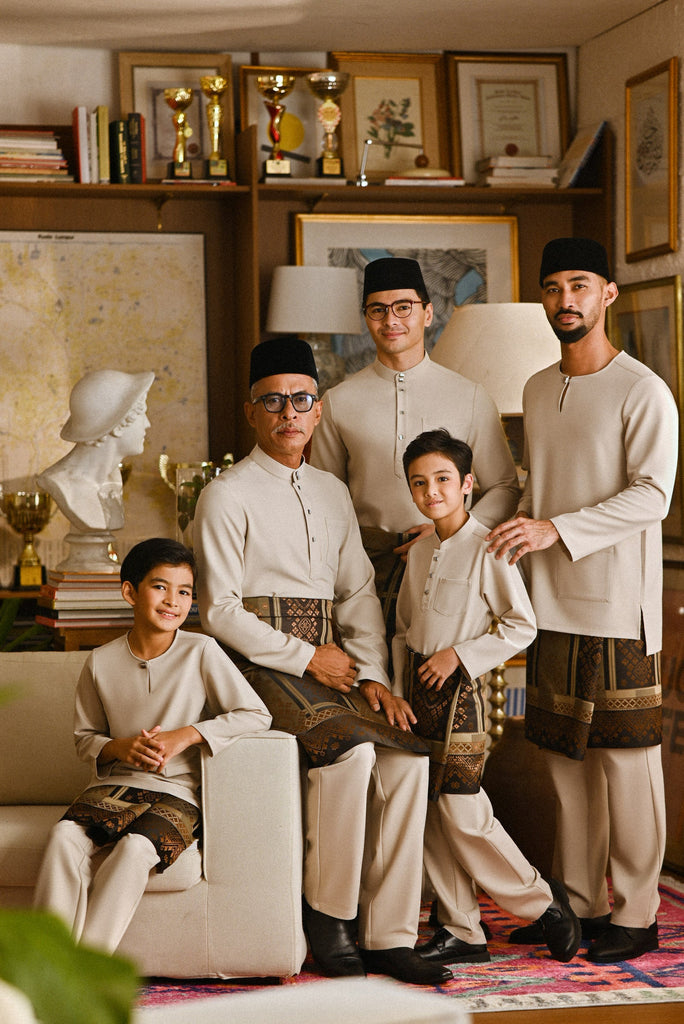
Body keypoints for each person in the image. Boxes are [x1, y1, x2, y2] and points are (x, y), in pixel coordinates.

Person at [193, 335, 452, 986]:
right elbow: (218, 611)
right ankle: (328, 918)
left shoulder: (333, 491)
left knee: (406, 758)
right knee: (352, 754)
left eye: (302, 399)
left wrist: (374, 677)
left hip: (334, 661)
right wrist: (310, 659)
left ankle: (389, 933)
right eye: (273, 401)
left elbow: (358, 593)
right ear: (251, 412)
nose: (289, 413)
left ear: (317, 410)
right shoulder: (225, 494)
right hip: (256, 663)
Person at [486, 237, 680, 963]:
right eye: (552, 287)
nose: (565, 299)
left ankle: (637, 914)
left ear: (607, 294)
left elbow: (652, 496)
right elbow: (535, 488)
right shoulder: (538, 388)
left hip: (619, 611)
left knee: (628, 769)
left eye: (579, 284)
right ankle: (580, 905)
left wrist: (555, 529)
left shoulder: (643, 390)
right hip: (547, 606)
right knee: (566, 766)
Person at [391, 428, 580, 967]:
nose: (431, 491)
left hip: (461, 697)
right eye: (419, 483)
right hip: (415, 700)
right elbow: (403, 631)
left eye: (443, 479)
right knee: (432, 813)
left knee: (463, 811)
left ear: (467, 484)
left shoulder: (488, 547)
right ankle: (462, 928)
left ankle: (543, 904)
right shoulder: (418, 552)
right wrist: (398, 693)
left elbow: (521, 626)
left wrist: (459, 654)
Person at [33, 537, 271, 953]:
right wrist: (120, 747)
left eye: (184, 592)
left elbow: (255, 714)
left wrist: (188, 734)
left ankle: (88, 967)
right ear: (130, 592)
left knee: (135, 849)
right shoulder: (100, 661)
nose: (173, 601)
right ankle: (46, 959)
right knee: (63, 838)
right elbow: (85, 739)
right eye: (160, 587)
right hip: (112, 788)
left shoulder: (202, 651)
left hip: (179, 794)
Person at [309, 256, 519, 641]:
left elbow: (504, 487)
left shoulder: (470, 396)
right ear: (366, 318)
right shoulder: (338, 401)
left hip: (448, 560)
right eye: (377, 309)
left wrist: (456, 531)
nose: (391, 320)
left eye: (403, 307)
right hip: (365, 566)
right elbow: (323, 498)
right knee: (368, 672)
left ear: (428, 313)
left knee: (439, 671)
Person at [37, 369, 155, 534]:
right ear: (117, 426)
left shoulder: (113, 480)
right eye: (142, 413)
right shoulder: (62, 484)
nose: (148, 424)